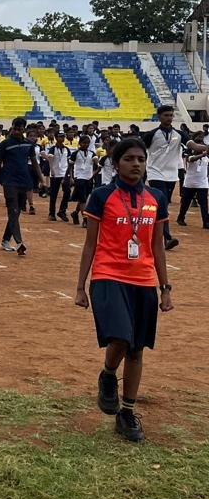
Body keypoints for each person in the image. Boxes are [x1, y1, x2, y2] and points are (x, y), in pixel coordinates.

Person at [75, 136, 172, 444]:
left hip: (143, 279)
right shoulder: (102, 196)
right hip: (108, 274)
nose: (136, 164)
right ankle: (107, 374)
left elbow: (157, 245)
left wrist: (165, 287)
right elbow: (90, 243)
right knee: (120, 335)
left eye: (141, 159)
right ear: (116, 164)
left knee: (137, 347)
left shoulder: (156, 197)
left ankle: (127, 413)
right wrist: (80, 286)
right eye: (129, 159)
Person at [141, 105, 204, 250]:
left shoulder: (180, 134)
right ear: (159, 117)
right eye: (166, 115)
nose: (169, 118)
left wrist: (206, 148)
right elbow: (140, 150)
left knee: (162, 206)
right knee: (162, 204)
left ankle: (151, 232)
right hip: (155, 173)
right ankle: (167, 238)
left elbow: (194, 145)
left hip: (171, 175)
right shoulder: (151, 134)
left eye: (170, 115)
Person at [0, 116, 45, 257]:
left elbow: (35, 163)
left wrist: (42, 180)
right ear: (12, 127)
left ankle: (5, 240)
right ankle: (20, 242)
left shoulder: (29, 144)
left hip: (25, 181)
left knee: (17, 212)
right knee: (13, 210)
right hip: (9, 181)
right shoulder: (5, 144)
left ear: (24, 130)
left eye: (20, 129)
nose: (17, 131)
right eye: (15, 128)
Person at [177, 138, 209, 229]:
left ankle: (206, 222)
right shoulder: (190, 152)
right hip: (190, 183)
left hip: (202, 183)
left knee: (204, 204)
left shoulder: (206, 154)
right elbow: (190, 159)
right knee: (185, 203)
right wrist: (202, 155)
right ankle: (180, 218)